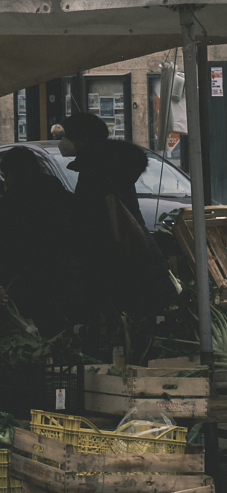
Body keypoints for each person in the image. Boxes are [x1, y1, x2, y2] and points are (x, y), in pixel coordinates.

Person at [58, 111, 170, 333]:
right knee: (137, 326)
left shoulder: (96, 169)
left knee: (123, 329)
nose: (63, 141)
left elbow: (92, 218)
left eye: (68, 135)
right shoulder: (112, 164)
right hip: (133, 256)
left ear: (84, 140)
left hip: (116, 260)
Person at [0, 146, 77, 336]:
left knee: (32, 330)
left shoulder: (11, 202)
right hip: (61, 273)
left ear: (10, 174)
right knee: (58, 330)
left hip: (27, 278)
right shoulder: (54, 187)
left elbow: (7, 248)